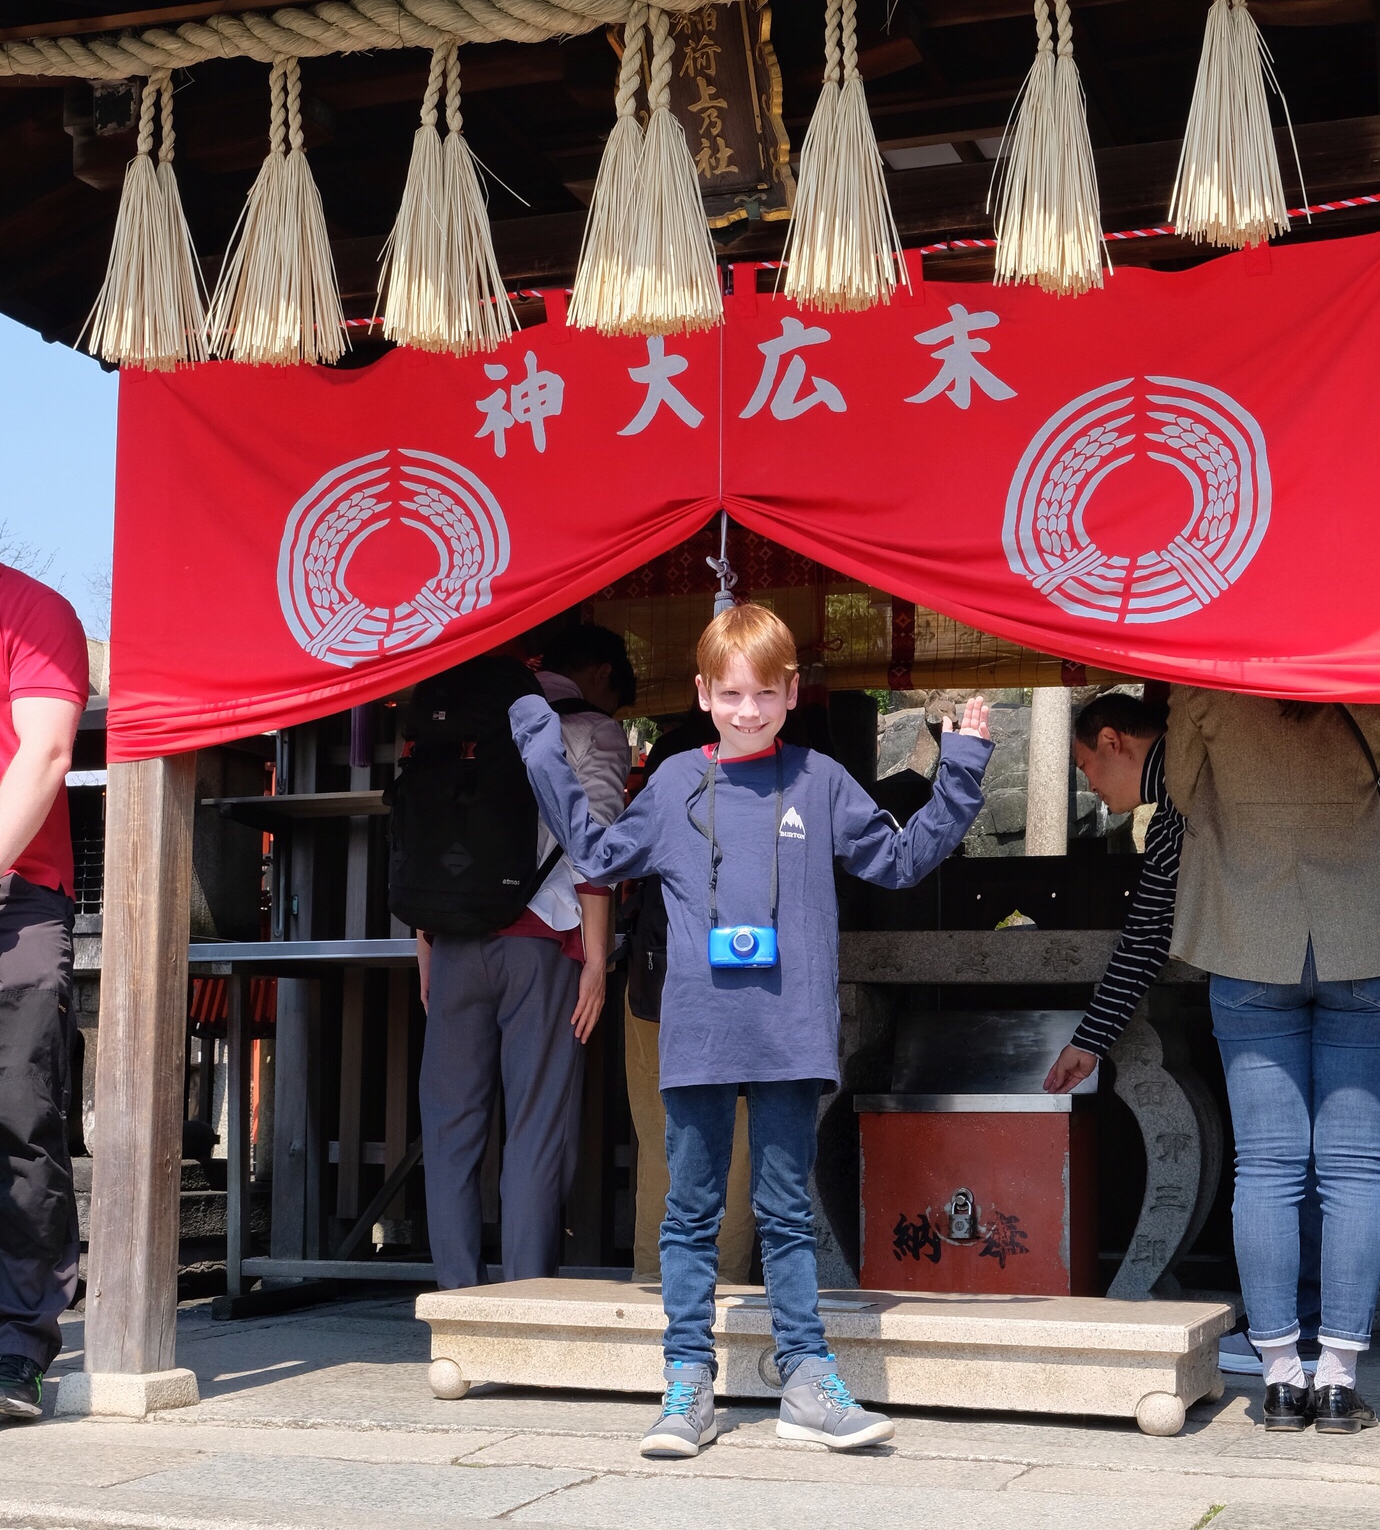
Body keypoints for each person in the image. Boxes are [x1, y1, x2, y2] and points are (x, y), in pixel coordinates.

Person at [511, 602, 992, 1459]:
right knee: (690, 1213)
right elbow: (595, 852)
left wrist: (961, 770)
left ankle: (807, 1379)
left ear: (791, 692)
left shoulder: (820, 780)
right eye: (730, 694)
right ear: (701, 693)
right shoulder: (669, 785)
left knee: (785, 1215)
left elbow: (902, 859)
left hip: (790, 1032)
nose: (747, 710)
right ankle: (687, 1383)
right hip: (698, 1030)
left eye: (764, 694)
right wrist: (540, 741)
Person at [1163, 689, 1380, 1434]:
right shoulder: (1372, 674)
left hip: (1249, 928)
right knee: (1357, 1168)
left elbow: (1177, 788)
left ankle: (1277, 1379)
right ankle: (1337, 1381)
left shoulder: (1202, 683)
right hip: (1365, 927)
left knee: (1266, 1166)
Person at [412, 623, 634, 1285]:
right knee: (536, 1132)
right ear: (594, 673)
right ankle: (521, 1307)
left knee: (450, 1134)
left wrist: (424, 943)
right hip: (544, 941)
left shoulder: (453, 716)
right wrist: (597, 955)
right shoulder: (593, 729)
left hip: (450, 944)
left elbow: (421, 835)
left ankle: (455, 1306)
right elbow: (594, 839)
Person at [619, 704, 755, 1286]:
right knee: (740, 1150)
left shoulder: (668, 770)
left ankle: (655, 1288)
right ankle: (722, 1291)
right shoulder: (772, 776)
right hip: (746, 994)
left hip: (657, 988)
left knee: (661, 1147)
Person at [0, 565, 89, 1422]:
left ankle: (15, 1350)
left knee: (20, 1121)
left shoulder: (31, 610)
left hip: (15, 898)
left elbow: (48, 750)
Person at [1043, 690, 1182, 1094]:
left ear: (1111, 741)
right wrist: (1090, 1040)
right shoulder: (1169, 813)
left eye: (1085, 766)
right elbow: (1148, 935)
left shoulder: (1183, 801)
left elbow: (1146, 935)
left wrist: (1088, 1041)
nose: (1089, 785)